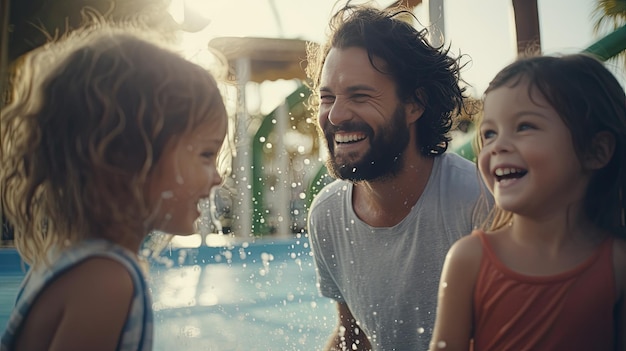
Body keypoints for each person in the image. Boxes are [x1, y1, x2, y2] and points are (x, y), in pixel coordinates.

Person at [0, 23, 228, 351]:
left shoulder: (72, 257)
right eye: (206, 155)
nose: (217, 177)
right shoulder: (107, 280)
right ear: (134, 159)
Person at [305, 3, 489, 350]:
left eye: (359, 96)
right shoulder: (326, 215)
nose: (336, 115)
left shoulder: (477, 202)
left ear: (414, 105)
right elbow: (353, 337)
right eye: (327, 97)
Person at [429, 53, 626, 351]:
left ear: (595, 151)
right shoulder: (468, 260)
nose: (498, 146)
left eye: (524, 127)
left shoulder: (617, 264)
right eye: (490, 134)